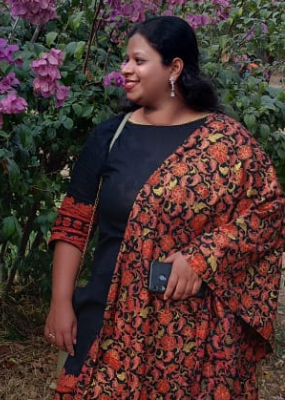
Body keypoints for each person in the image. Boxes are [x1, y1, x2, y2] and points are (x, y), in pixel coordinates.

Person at [44, 15, 285, 400]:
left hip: (194, 336)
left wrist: (202, 258)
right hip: (108, 316)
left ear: (174, 68)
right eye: (126, 60)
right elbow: (73, 223)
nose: (126, 69)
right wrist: (60, 301)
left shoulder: (229, 142)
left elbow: (269, 215)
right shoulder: (111, 135)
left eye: (139, 61)